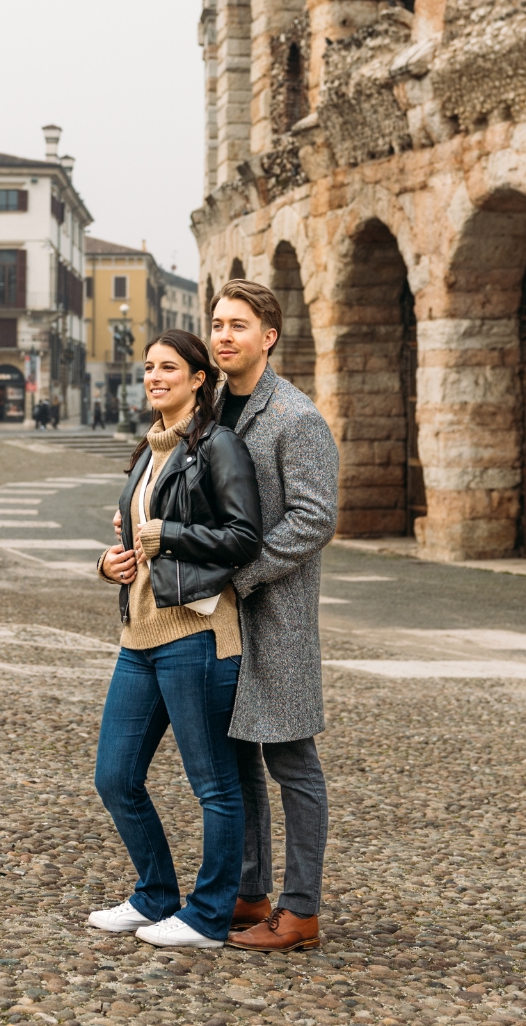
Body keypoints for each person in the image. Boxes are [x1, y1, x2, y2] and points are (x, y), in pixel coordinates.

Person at [91, 330, 263, 949]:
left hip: (197, 635)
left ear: (199, 379)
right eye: (148, 368)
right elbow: (141, 542)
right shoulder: (147, 453)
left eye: (169, 368)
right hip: (140, 635)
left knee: (213, 784)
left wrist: (170, 533)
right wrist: (112, 563)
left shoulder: (219, 447)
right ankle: (157, 895)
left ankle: (209, 915)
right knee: (114, 777)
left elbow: (244, 536)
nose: (154, 377)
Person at [209, 279, 339, 954]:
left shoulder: (295, 417)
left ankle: (301, 910)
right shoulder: (210, 411)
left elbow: (314, 518)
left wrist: (244, 574)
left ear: (268, 337)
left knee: (291, 759)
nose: (224, 335)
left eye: (238, 325)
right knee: (236, 756)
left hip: (276, 610)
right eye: (218, 324)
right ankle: (251, 889)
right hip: (218, 614)